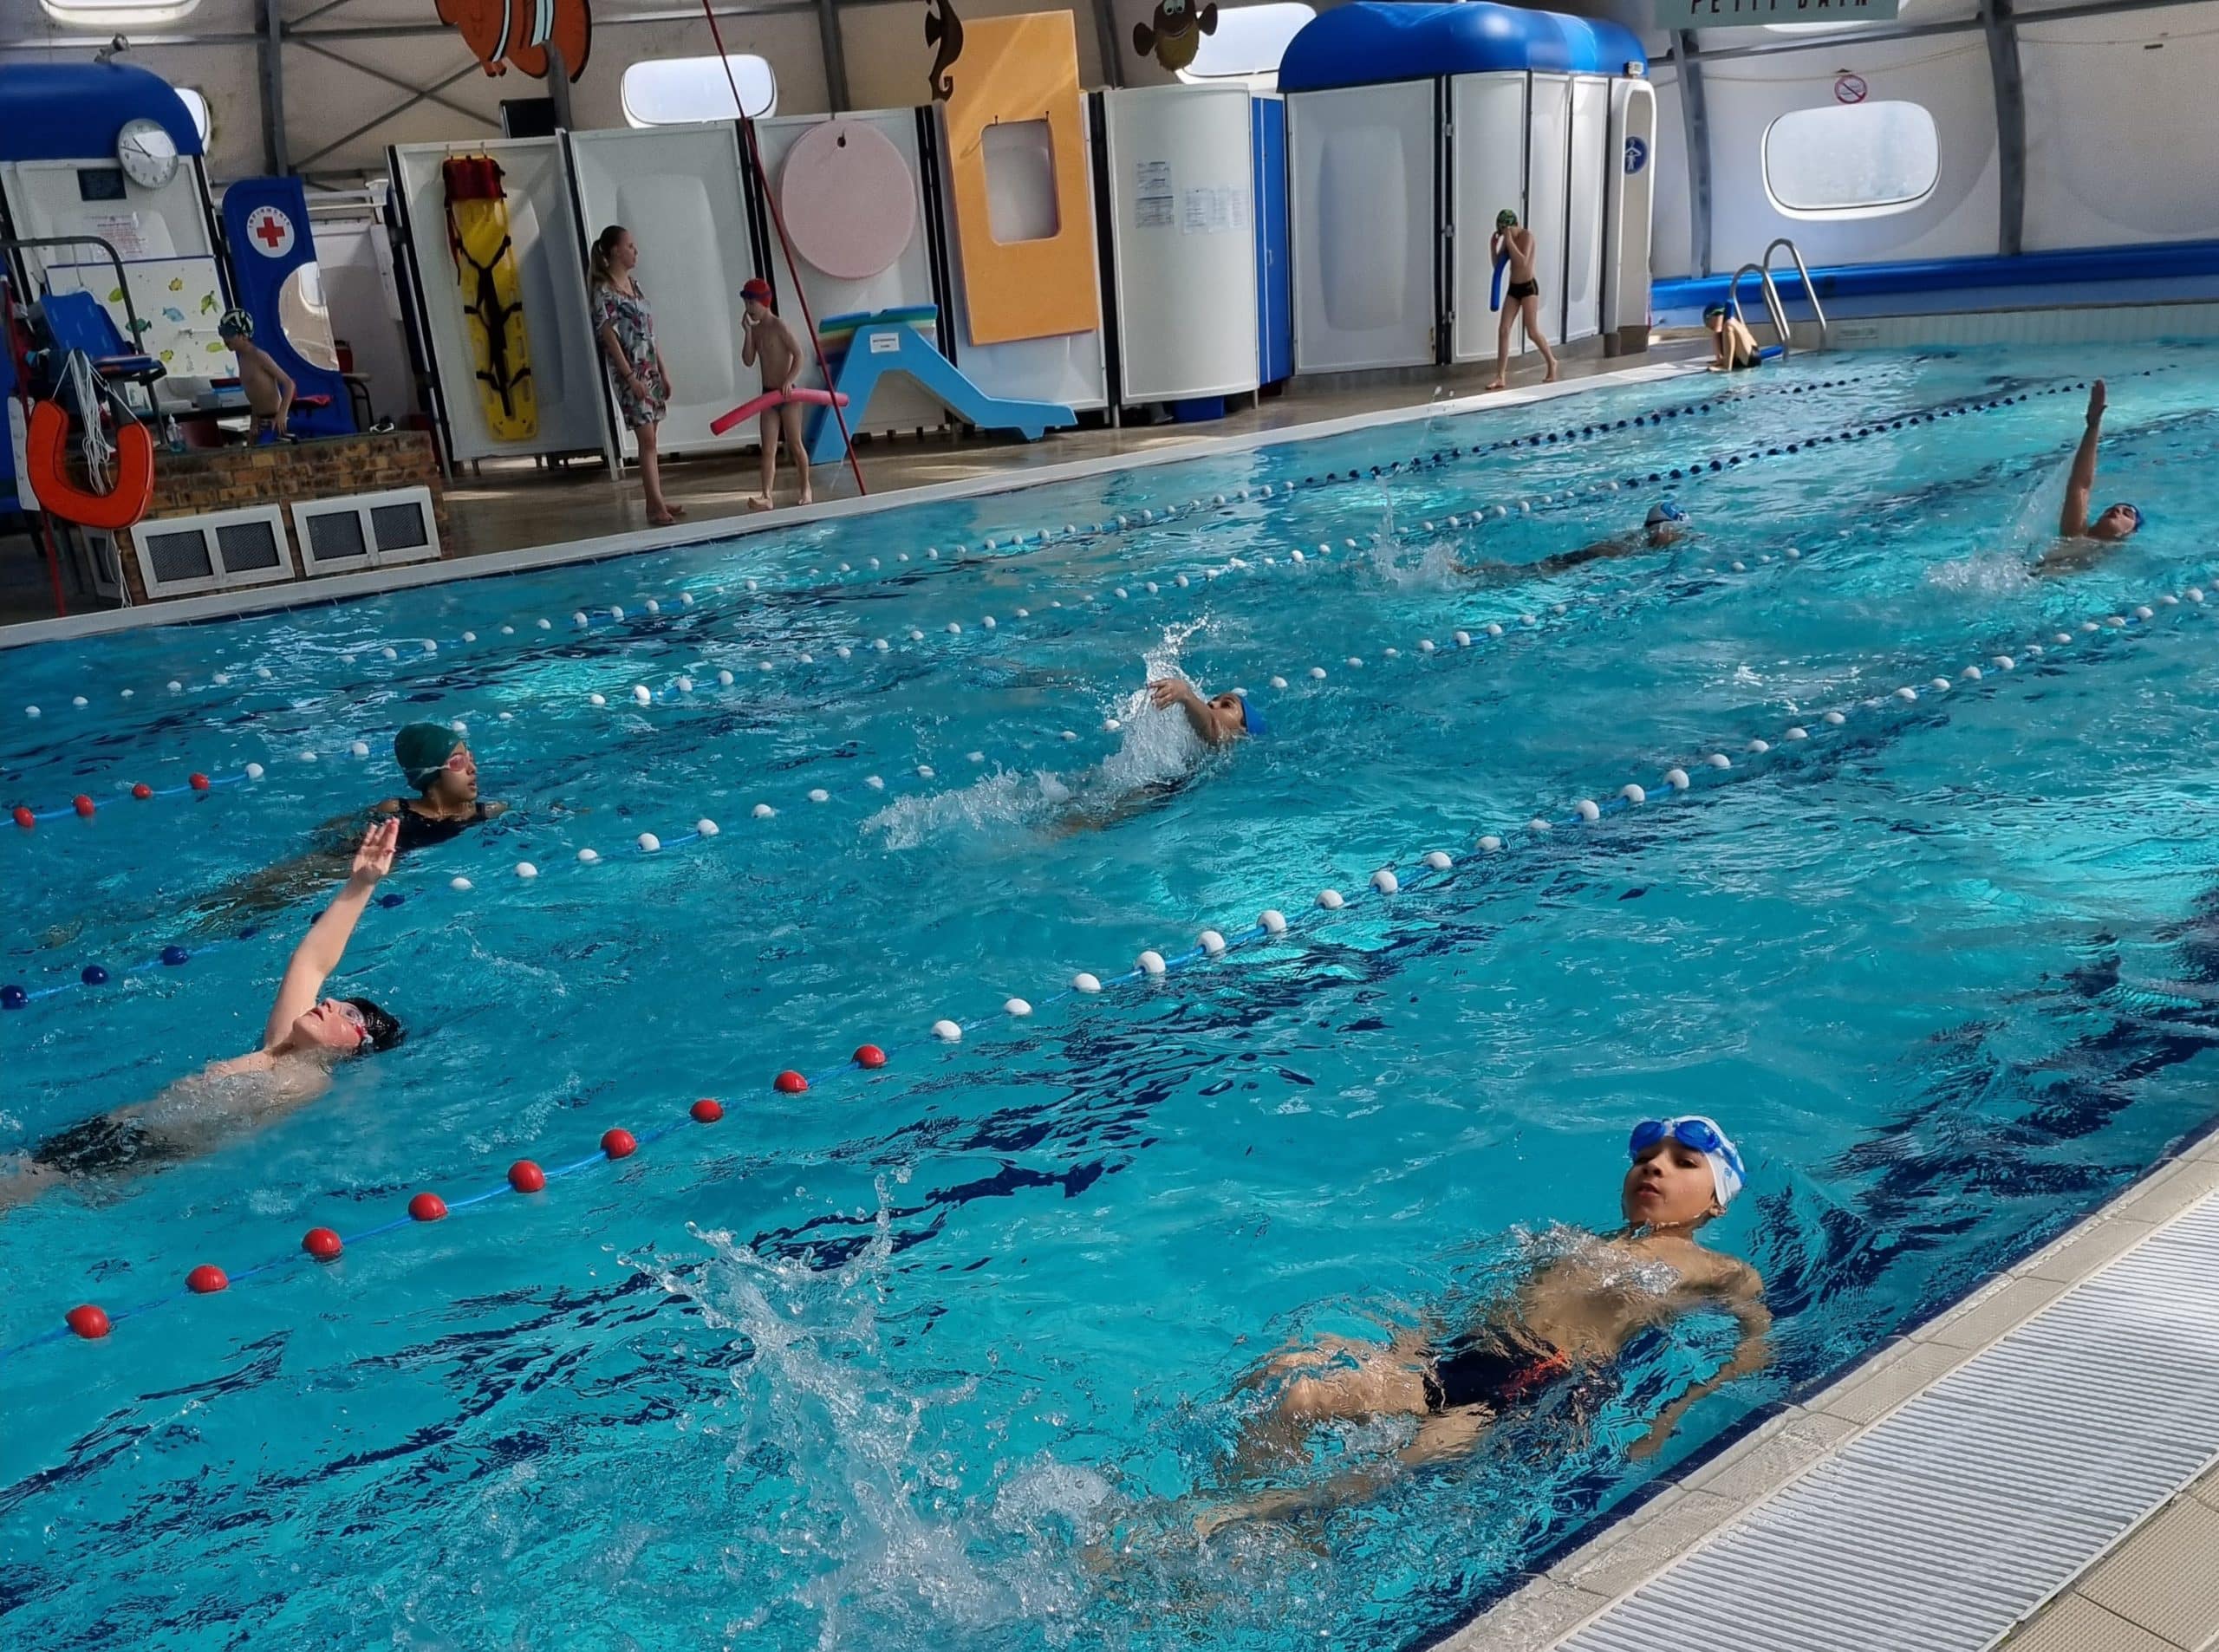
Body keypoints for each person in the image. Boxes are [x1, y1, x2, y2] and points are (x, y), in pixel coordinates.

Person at [1189, 1115, 1770, 1534]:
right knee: (1294, 1381)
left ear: (1717, 1202)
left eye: (1683, 1164)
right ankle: (1238, 1490)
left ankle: (1246, 1518)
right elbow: (1483, 1292)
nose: (1655, 1168)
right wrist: (1412, 1346)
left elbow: (1752, 1346)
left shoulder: (1718, 1271)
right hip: (1460, 1355)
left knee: (1394, 1470)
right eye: (1645, 1160)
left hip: (1538, 1383)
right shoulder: (1576, 1241)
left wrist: (1669, 1419)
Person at [2, 821, 406, 1210]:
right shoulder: (282, 1049)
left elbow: (222, 1141)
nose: (330, 1002)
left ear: (357, 1045)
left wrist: (137, 1165)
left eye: (349, 1013)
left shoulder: (306, 1079)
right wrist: (361, 884)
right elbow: (309, 963)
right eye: (337, 1000)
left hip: (139, 1151)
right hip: (118, 1130)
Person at [590, 225, 683, 529]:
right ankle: (654, 506)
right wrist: (630, 378)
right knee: (646, 438)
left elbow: (651, 335)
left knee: (653, 439)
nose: (635, 251)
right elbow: (608, 336)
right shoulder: (603, 291)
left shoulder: (634, 285)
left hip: (650, 369)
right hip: (630, 373)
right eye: (630, 246)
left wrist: (663, 372)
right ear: (615, 251)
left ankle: (655, 498)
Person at [2037, 380, 2142, 574]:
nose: (2117, 511)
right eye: (2112, 509)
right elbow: (2080, 486)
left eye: (2127, 513)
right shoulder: (2077, 534)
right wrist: (2093, 426)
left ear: (2133, 532)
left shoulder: (2124, 560)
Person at [1455, 501, 1690, 583]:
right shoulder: (1648, 537)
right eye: (1673, 530)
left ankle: (1475, 570)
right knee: (1526, 573)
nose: (1676, 535)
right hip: (1586, 558)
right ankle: (1471, 571)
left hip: (1589, 558)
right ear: (1661, 527)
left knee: (1527, 572)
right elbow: (1661, 540)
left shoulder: (1639, 536)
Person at [739, 276, 813, 511]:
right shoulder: (757, 330)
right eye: (746, 304)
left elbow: (799, 356)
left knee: (795, 444)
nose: (748, 309)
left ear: (764, 303)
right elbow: (748, 360)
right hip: (768, 397)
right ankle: (766, 495)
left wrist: (789, 382)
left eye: (751, 304)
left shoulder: (779, 326)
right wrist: (748, 333)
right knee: (768, 449)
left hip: (788, 397)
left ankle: (805, 487)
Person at [1487, 210, 1559, 393]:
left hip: (1528, 288)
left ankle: (1551, 362)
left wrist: (1509, 241)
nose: (1504, 235)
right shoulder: (1506, 240)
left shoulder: (1527, 236)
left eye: (1505, 231)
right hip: (1514, 289)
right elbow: (1498, 265)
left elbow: (1522, 262)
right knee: (1503, 330)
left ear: (1511, 226)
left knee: (1532, 332)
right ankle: (1500, 376)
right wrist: (1493, 247)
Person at [218, 308, 295, 443]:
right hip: (260, 422)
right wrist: (254, 421)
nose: (225, 338)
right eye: (222, 332)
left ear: (244, 335)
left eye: (229, 333)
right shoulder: (242, 359)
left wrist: (282, 415)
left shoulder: (259, 356)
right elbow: (255, 395)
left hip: (275, 421)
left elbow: (289, 384)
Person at [1149, 675, 1261, 747]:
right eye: (1214, 699)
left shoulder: (1229, 739)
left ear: (1243, 728)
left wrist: (1186, 694)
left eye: (1227, 704)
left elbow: (1211, 725)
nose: (1212, 703)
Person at [1704, 303, 1765, 372]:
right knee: (1717, 334)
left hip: (1750, 356)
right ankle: (1727, 365)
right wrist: (1719, 361)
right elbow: (1720, 358)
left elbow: (1726, 325)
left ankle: (1727, 366)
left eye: (1709, 325)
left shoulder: (1730, 323)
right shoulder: (1719, 332)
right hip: (1741, 359)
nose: (1709, 327)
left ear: (1712, 317)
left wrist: (1726, 366)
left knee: (1728, 325)